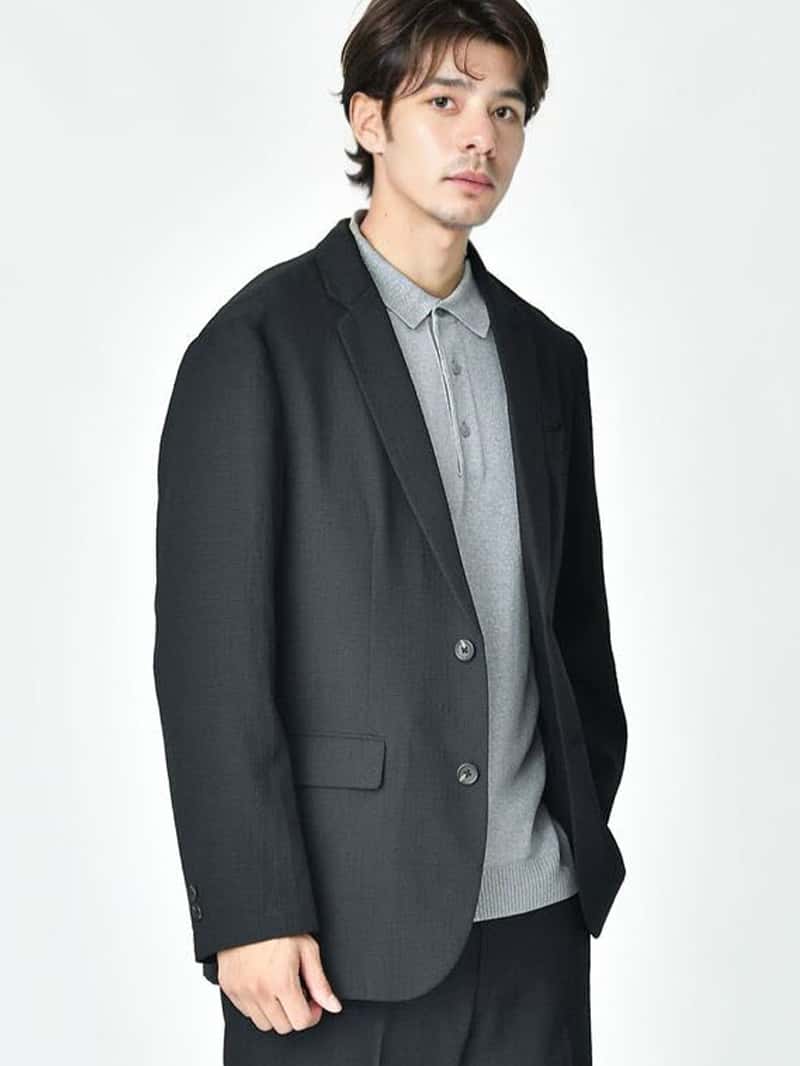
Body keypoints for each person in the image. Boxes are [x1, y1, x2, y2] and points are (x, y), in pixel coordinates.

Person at [153, 1, 628, 1062]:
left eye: (506, 110)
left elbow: (573, 625)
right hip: (334, 936)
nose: (480, 137)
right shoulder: (256, 347)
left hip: (536, 925)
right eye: (444, 101)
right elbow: (208, 659)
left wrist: (575, 820)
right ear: (368, 121)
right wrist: (247, 907)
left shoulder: (546, 358)